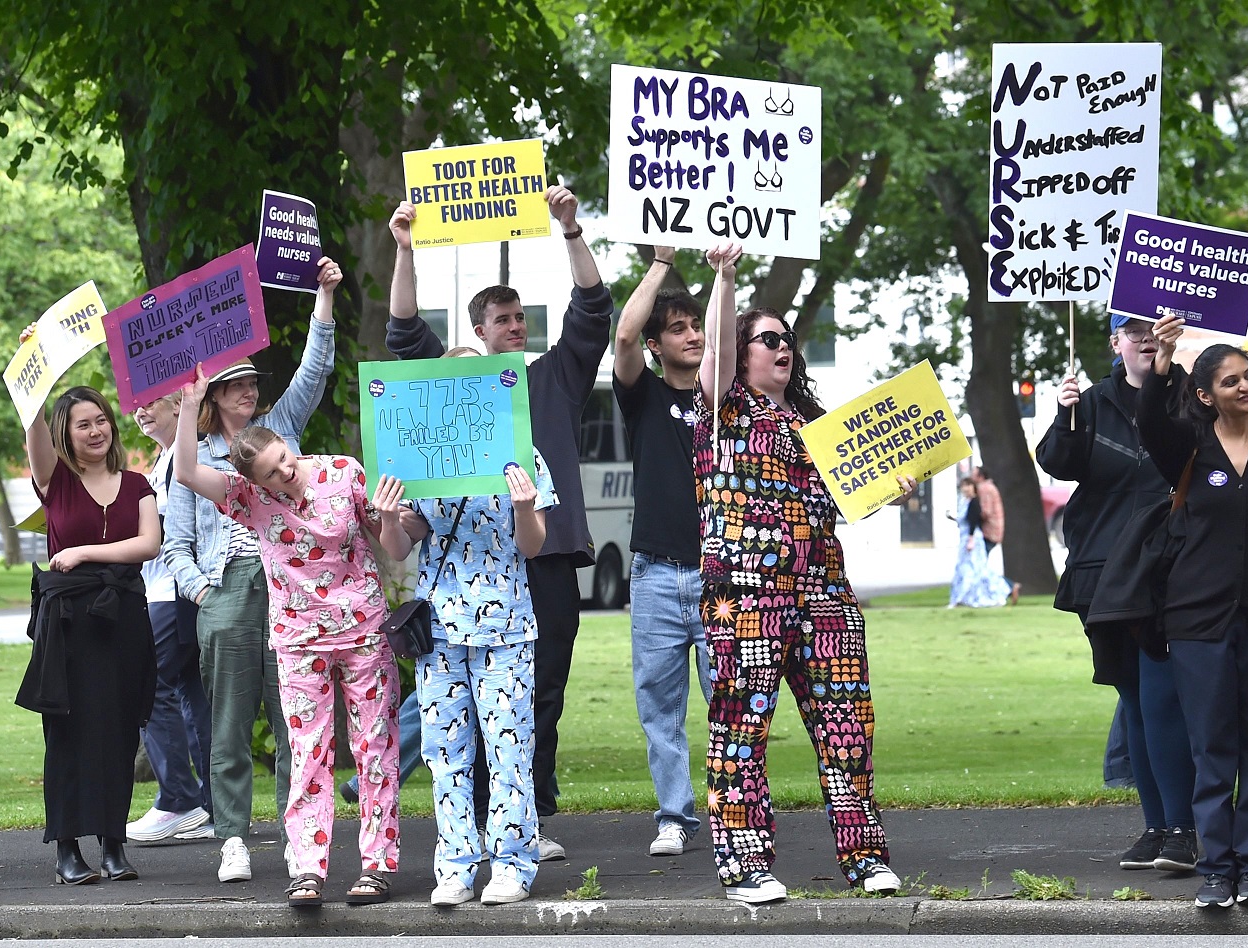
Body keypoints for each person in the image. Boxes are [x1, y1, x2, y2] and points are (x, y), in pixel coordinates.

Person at [384, 187, 613, 860]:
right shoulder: (454, 387)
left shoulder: (555, 378)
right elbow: (402, 333)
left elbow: (593, 313)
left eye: (521, 318)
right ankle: (481, 825)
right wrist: (404, 248)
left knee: (540, 695)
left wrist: (570, 232)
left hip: (542, 555)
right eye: (504, 318)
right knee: (468, 706)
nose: (517, 325)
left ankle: (531, 820)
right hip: (467, 574)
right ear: (477, 331)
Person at [694, 242, 916, 904]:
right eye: (768, 339)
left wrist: (888, 491)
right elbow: (713, 353)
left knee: (847, 727)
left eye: (788, 340)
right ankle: (745, 866)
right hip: (746, 598)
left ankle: (865, 857)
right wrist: (726, 277)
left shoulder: (815, 426)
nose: (783, 348)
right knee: (742, 729)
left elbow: (841, 504)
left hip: (825, 596)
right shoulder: (722, 411)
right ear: (742, 352)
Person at [174, 363, 403, 907]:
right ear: (254, 486)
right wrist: (188, 406)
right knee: (308, 752)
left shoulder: (343, 472)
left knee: (374, 747)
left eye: (286, 458)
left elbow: (395, 549)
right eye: (274, 473)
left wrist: (390, 517)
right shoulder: (247, 500)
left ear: (286, 442)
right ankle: (307, 868)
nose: (287, 472)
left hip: (363, 629)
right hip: (299, 641)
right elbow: (186, 473)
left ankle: (376, 864)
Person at [163, 256, 340, 882]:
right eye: (235, 385)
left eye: (251, 382)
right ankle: (233, 838)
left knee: (298, 717)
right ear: (213, 397)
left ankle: (302, 838)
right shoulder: (196, 453)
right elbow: (175, 542)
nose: (249, 390)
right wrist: (205, 592)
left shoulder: (280, 430)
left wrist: (322, 298)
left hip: (290, 581)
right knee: (230, 722)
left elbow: (314, 371)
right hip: (230, 585)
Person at [1138, 315, 1248, 909]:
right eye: (1230, 382)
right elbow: (1149, 425)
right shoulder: (1189, 446)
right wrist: (1161, 363)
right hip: (1197, 620)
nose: (1245, 387)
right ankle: (1217, 867)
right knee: (1212, 746)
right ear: (1205, 394)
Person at [378, 350, 557, 907]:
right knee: (444, 749)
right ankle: (455, 865)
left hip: (505, 623)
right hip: (441, 629)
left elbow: (533, 546)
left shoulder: (521, 454)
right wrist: (388, 515)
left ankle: (512, 865)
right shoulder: (418, 459)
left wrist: (524, 505)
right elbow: (400, 546)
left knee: (508, 747)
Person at [1035, 314, 1198, 875]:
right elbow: (1056, 463)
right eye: (1134, 330)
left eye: (1156, 328)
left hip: (1174, 568)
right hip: (1103, 570)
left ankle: (1183, 828)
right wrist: (1064, 412)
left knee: (1162, 697)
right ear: (1114, 342)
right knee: (1133, 698)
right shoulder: (1090, 401)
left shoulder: (1188, 396)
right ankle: (1157, 827)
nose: (1146, 336)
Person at [16, 381, 159, 885]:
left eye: (100, 419)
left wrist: (83, 554)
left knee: (119, 732)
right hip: (69, 626)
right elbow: (33, 428)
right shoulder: (54, 479)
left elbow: (148, 545)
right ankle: (67, 852)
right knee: (69, 734)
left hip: (122, 620)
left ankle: (113, 845)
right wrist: (34, 372)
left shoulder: (138, 484)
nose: (95, 430)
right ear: (66, 433)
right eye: (83, 423)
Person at [612, 246, 713, 857]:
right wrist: (661, 265)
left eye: (696, 324)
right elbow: (623, 332)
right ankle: (674, 815)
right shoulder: (641, 394)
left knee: (729, 699)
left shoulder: (722, 398)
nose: (692, 335)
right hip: (653, 574)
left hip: (719, 572)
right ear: (656, 345)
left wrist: (721, 272)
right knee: (660, 706)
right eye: (678, 328)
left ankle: (734, 813)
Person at [126, 392, 214, 844]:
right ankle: (210, 804)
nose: (140, 410)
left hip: (172, 589)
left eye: (150, 402)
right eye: (136, 405)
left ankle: (179, 798)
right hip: (164, 590)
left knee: (153, 685)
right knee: (190, 690)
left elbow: (179, 526)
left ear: (180, 405)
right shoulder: (164, 458)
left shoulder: (186, 454)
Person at [947, 478, 1011, 608]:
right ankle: (963, 597)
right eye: (963, 486)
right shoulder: (965, 502)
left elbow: (973, 521)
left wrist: (971, 539)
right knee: (968, 569)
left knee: (976, 569)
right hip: (965, 537)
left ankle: (1001, 590)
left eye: (968, 486)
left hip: (972, 539)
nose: (965, 489)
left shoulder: (974, 502)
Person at [971, 467, 1020, 604]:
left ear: (980, 476)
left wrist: (969, 518)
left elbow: (985, 511)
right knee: (979, 565)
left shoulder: (984, 488)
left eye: (973, 474)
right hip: (994, 530)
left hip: (988, 532)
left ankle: (1009, 586)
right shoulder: (990, 487)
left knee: (979, 566)